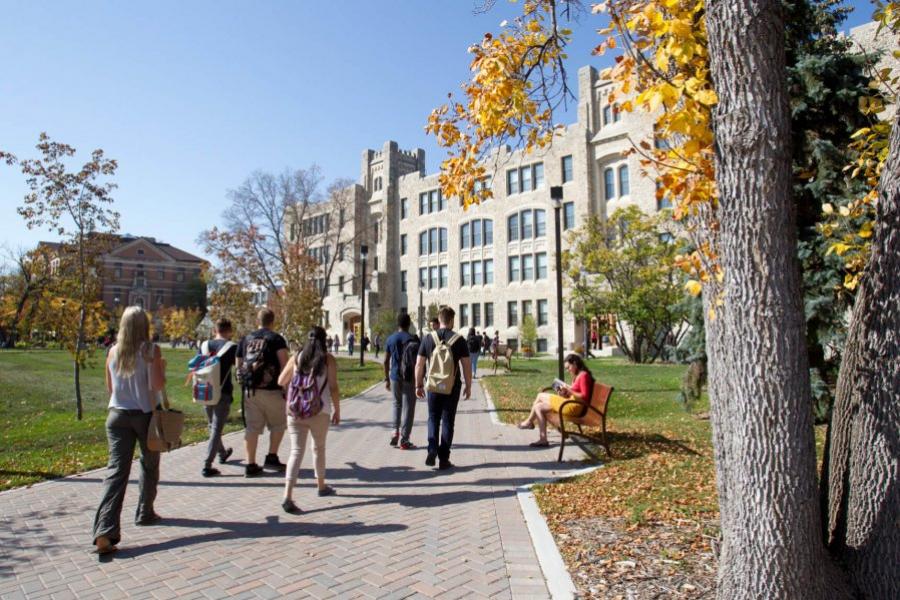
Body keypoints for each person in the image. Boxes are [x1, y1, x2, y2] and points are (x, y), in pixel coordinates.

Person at [92, 306, 165, 555]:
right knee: (149, 463)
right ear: (144, 325)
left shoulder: (113, 351)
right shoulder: (151, 351)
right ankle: (145, 511)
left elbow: (110, 387)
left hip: (117, 415)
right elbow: (156, 385)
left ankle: (104, 530)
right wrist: (160, 369)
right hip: (144, 416)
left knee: (116, 472)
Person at [278, 326, 340, 513]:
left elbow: (281, 381)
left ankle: (287, 495)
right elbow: (334, 387)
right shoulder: (328, 360)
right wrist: (338, 410)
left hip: (296, 410)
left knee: (296, 451)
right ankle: (321, 485)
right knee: (318, 448)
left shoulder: (296, 357)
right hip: (320, 410)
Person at [415, 307, 472, 470]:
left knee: (433, 418)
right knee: (448, 421)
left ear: (439, 320)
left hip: (433, 386)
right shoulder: (459, 340)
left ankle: (432, 448)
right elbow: (466, 365)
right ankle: (444, 458)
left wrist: (418, 385)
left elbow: (419, 364)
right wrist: (468, 386)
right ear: (452, 320)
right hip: (451, 386)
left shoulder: (428, 338)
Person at [237, 308, 289, 477]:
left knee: (252, 428)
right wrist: (286, 388)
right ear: (273, 321)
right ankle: (271, 457)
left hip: (251, 390)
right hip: (272, 389)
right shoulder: (276, 339)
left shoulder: (246, 339)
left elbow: (238, 365)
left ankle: (250, 464)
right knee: (278, 424)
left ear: (257, 321)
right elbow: (284, 365)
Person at [518, 354, 595, 447]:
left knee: (540, 395)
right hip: (569, 404)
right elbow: (575, 395)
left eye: (568, 367)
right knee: (538, 407)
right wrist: (564, 393)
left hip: (573, 408)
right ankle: (543, 440)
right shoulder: (577, 375)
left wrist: (569, 389)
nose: (568, 370)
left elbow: (584, 396)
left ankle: (529, 422)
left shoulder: (583, 376)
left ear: (574, 363)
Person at [197, 318, 237, 477]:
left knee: (211, 425)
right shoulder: (232, 347)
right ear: (229, 331)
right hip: (223, 391)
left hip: (205, 389)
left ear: (215, 330)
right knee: (216, 427)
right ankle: (207, 464)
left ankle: (222, 453)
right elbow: (239, 366)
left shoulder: (204, 345)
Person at [384, 313, 417, 449]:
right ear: (409, 324)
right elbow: (419, 362)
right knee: (409, 407)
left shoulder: (391, 339)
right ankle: (405, 439)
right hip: (409, 377)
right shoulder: (413, 339)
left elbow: (386, 361)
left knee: (396, 404)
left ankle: (394, 432)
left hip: (395, 376)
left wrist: (386, 378)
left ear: (398, 324)